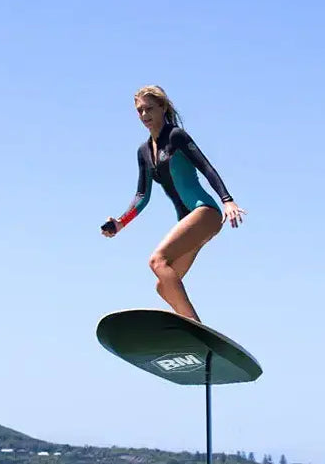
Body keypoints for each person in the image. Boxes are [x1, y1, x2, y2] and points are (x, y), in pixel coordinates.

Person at [101, 85, 246, 323]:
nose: (144, 115)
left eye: (149, 109)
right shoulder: (144, 152)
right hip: (187, 222)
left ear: (163, 107)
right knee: (164, 286)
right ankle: (191, 332)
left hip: (205, 212)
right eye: (139, 111)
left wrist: (227, 200)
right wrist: (120, 223)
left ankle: (196, 327)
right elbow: (142, 195)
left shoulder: (176, 136)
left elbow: (206, 167)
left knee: (157, 260)